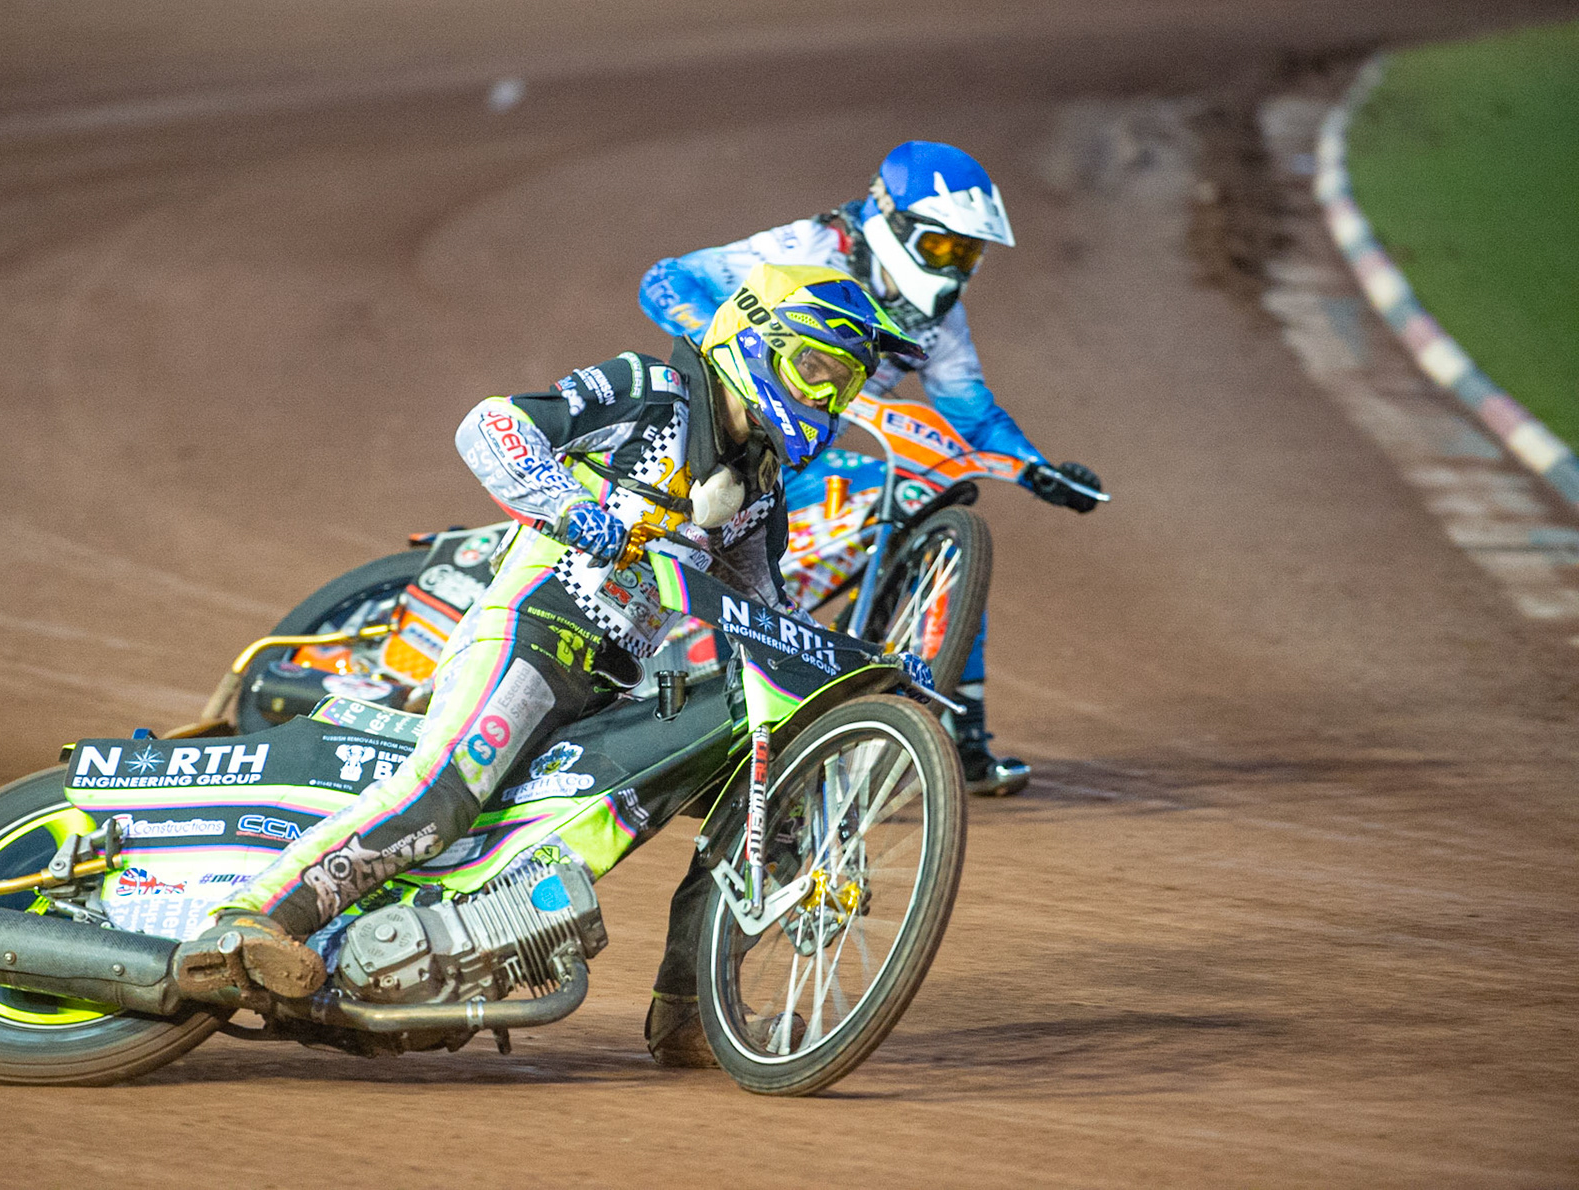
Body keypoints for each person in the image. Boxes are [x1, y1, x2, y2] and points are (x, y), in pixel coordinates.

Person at [168, 263, 923, 1019]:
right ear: (756, 338)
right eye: (815, 369)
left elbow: (763, 611)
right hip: (533, 629)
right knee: (446, 792)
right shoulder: (649, 392)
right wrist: (571, 507)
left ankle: (693, 1011)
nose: (825, 398)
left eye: (842, 385)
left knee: (753, 785)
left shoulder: (757, 489)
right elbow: (492, 424)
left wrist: (865, 669)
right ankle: (253, 923)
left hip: (610, 685)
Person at [638, 140, 1103, 799]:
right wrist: (735, 337)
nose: (956, 269)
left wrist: (1037, 469)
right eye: (944, 248)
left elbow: (971, 411)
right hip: (726, 439)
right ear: (895, 222)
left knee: (936, 512)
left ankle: (961, 741)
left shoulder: (939, 318)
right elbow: (662, 280)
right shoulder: (810, 249)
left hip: (809, 457)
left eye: (968, 254)